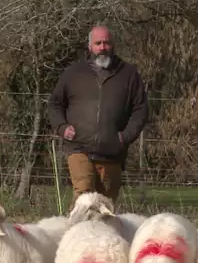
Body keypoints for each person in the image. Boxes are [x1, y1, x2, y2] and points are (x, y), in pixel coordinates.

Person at [47, 25, 149, 207]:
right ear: (90, 47)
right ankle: (76, 233)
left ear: (113, 45)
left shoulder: (129, 74)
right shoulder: (74, 73)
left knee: (106, 206)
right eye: (98, 43)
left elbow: (140, 109)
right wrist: (62, 127)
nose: (102, 47)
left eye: (106, 43)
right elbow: (54, 104)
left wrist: (125, 137)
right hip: (79, 147)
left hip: (112, 152)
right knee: (83, 197)